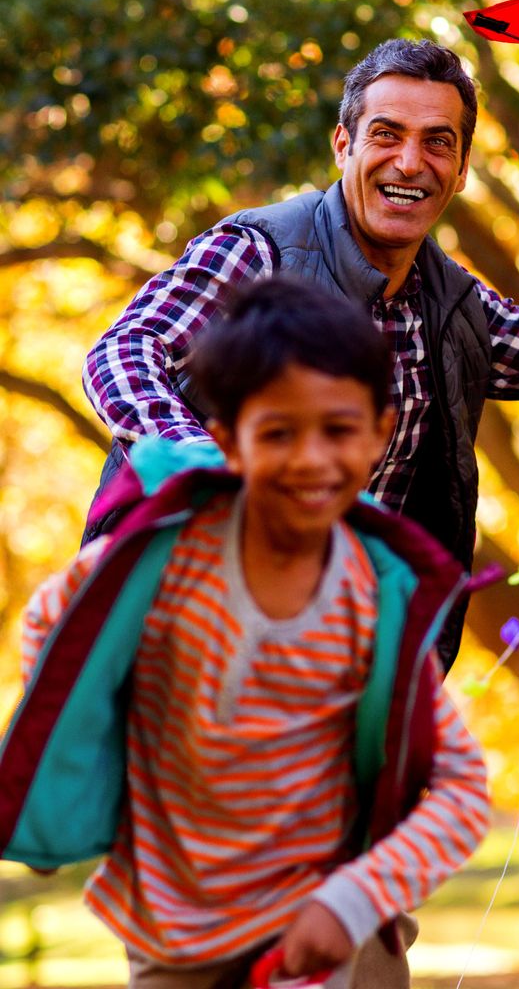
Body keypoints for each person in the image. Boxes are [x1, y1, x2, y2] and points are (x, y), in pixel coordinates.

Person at [82, 37, 519, 670]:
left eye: (437, 142)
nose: (409, 162)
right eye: (386, 134)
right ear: (342, 146)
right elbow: (123, 353)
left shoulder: (454, 311)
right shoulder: (260, 252)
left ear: (461, 168)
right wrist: (205, 470)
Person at [4, 278, 490, 988]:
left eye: (339, 429)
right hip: (175, 932)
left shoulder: (372, 597)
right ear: (228, 440)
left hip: (328, 925)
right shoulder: (163, 560)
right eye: (278, 433)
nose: (312, 460)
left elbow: (462, 783)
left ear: (381, 431)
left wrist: (353, 902)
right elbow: (55, 626)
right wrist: (84, 761)